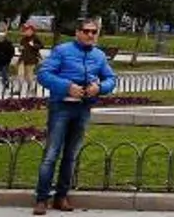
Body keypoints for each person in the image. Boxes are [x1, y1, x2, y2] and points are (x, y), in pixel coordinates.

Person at [33, 17, 118, 214]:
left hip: (83, 109)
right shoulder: (62, 51)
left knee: (70, 156)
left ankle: (61, 196)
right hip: (61, 107)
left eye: (93, 32)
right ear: (77, 33)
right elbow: (43, 74)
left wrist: (100, 87)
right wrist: (66, 87)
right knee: (51, 154)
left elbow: (111, 79)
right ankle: (41, 198)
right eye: (86, 31)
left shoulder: (99, 56)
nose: (90, 35)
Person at [16, 23, 43, 97]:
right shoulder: (23, 39)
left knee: (29, 76)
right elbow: (20, 48)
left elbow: (41, 46)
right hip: (23, 59)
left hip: (31, 59)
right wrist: (20, 48)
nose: (26, 32)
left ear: (32, 31)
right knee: (20, 74)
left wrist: (33, 45)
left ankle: (32, 89)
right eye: (25, 30)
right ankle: (19, 89)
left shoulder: (35, 38)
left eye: (27, 30)